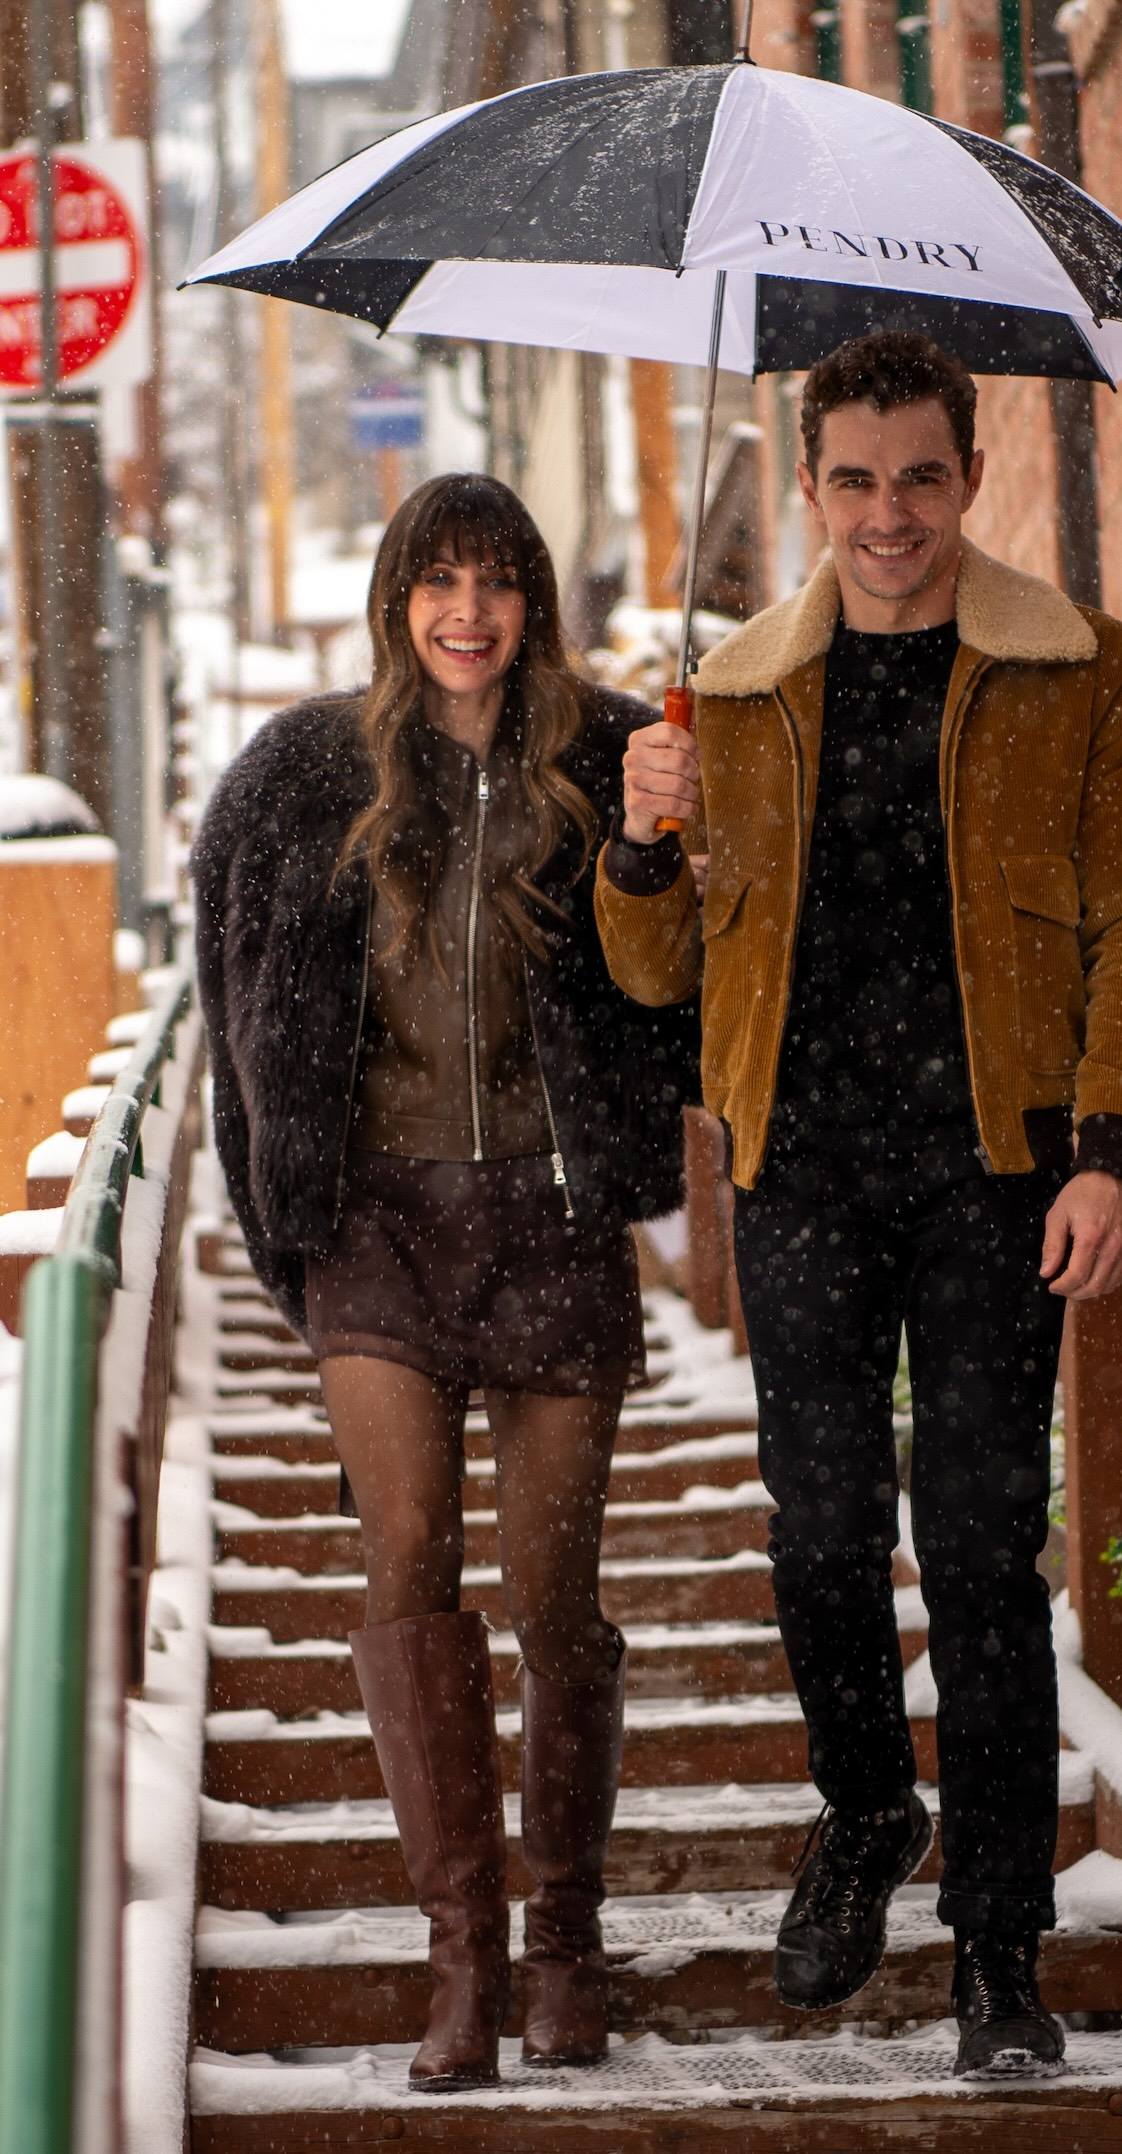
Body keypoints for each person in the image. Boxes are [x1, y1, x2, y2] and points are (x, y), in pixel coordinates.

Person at [594, 333, 1122, 2077]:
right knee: (822, 1528)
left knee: (989, 1556)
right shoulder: (735, 688)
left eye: (919, 476)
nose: (887, 515)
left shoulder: (1077, 665)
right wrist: (644, 841)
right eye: (852, 479)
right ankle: (867, 1809)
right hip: (803, 1163)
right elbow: (657, 974)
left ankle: (998, 1950)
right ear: (808, 486)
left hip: (1002, 1162)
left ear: (973, 476)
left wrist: (1114, 1145)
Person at [191, 473, 697, 2091]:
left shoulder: (616, 753)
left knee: (556, 1590)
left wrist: (649, 842)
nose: (466, 610)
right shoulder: (302, 774)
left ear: (533, 598)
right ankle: (460, 1955)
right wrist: (284, 1210)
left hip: (551, 1219)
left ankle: (566, 1936)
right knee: (410, 1552)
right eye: (437, 579)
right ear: (397, 599)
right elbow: (234, 994)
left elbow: (679, 1004)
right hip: (382, 1229)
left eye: (493, 579)